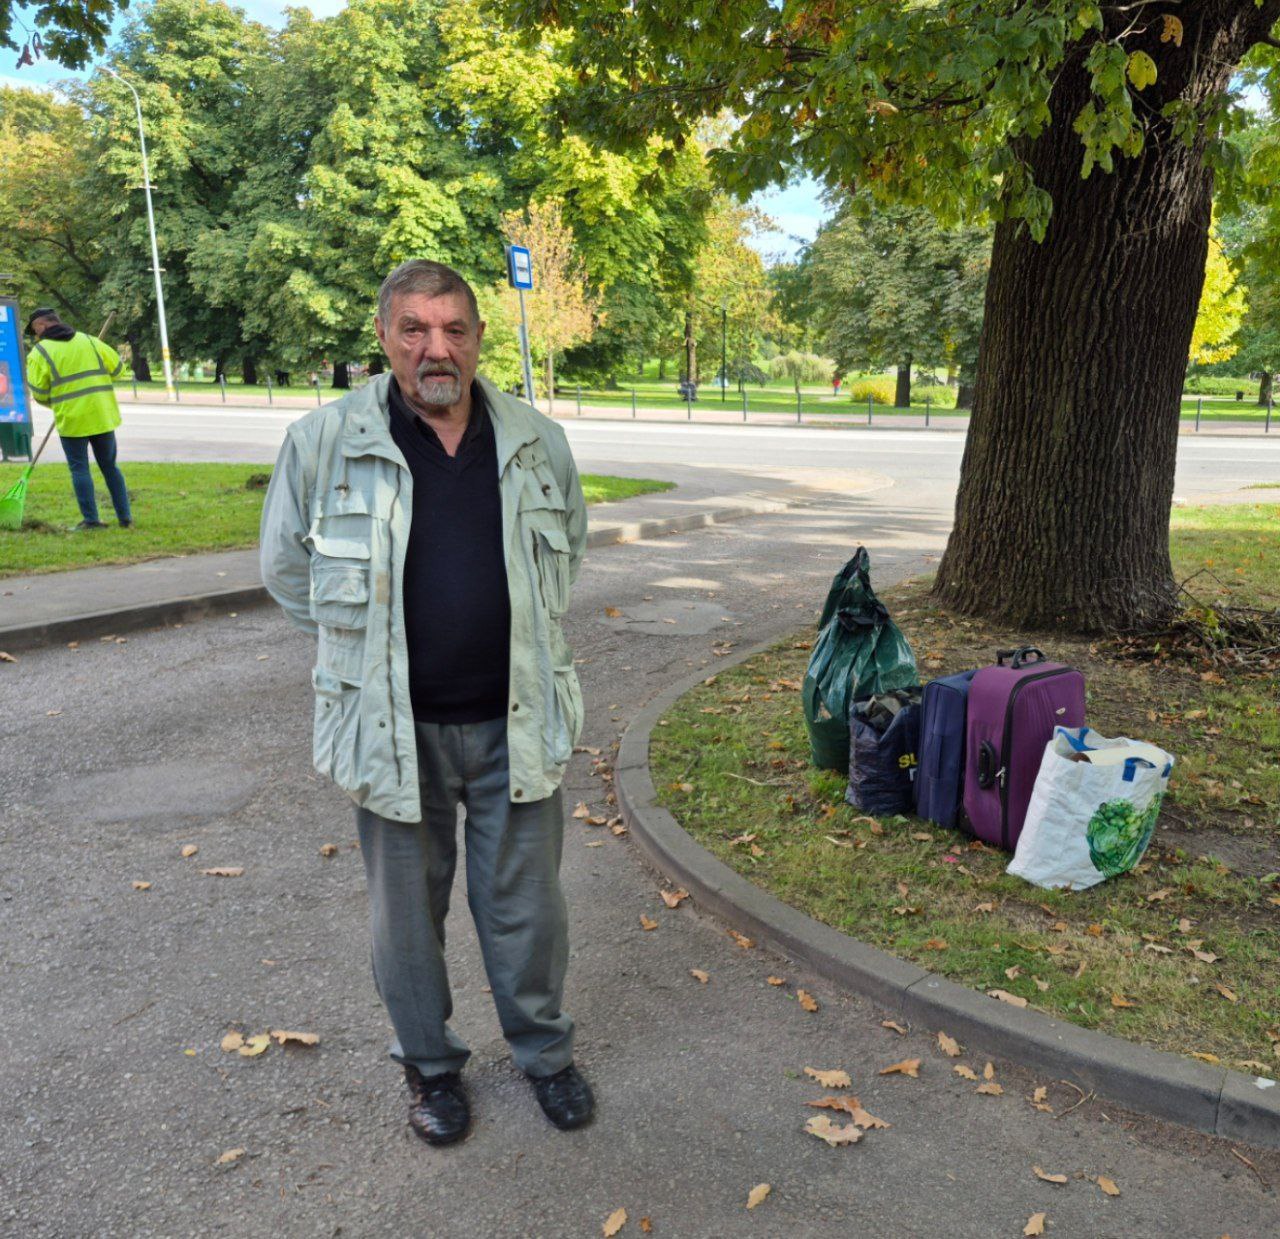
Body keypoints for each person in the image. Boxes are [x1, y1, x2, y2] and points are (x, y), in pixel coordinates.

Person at [260, 260, 592, 1147]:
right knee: (406, 921)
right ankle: (432, 1068)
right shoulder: (325, 442)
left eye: (453, 329)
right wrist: (361, 657)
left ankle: (545, 1054)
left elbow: (566, 560)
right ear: (385, 337)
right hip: (389, 730)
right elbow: (288, 570)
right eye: (414, 329)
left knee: (529, 912)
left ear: (480, 338)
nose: (435, 348)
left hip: (515, 721)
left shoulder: (535, 439)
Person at [24, 309, 132, 530]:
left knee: (79, 469)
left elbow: (39, 393)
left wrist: (57, 401)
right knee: (110, 467)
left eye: (35, 330)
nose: (36, 336)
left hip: (72, 419)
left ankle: (91, 521)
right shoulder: (90, 341)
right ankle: (125, 519)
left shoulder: (40, 352)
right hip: (102, 415)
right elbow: (119, 370)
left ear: (42, 326)